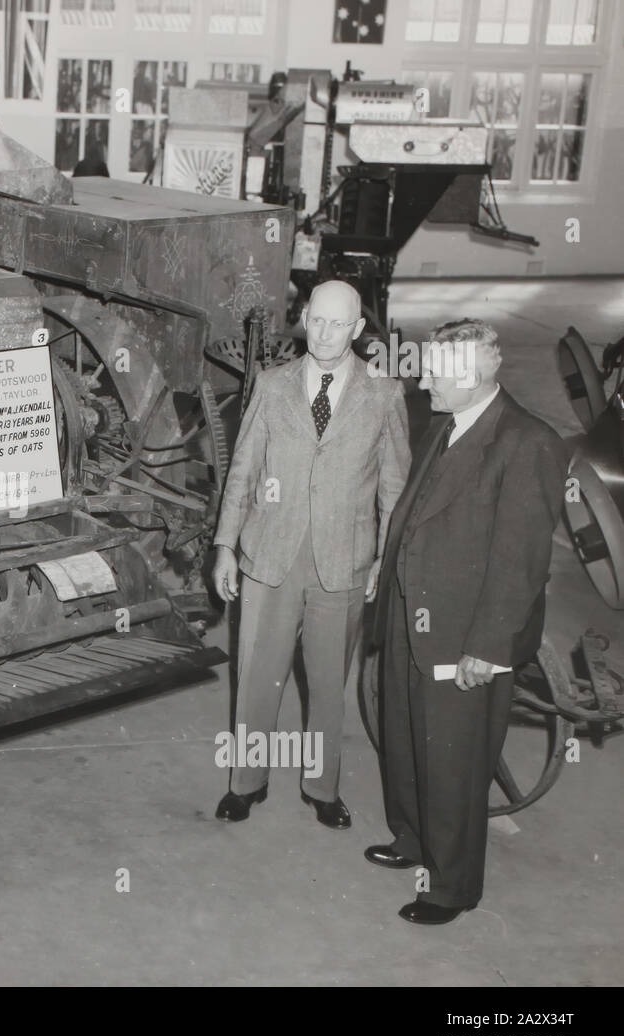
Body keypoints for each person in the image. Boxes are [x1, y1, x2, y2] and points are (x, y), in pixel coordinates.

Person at [366, 319, 570, 925]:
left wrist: (488, 646)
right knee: (404, 739)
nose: (423, 376)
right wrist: (387, 563)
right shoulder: (447, 423)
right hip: (413, 613)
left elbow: (521, 561)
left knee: (453, 763)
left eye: (434, 370)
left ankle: (450, 887)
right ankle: (412, 840)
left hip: (465, 635)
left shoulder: (528, 442)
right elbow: (415, 509)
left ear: (473, 375)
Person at [212, 279, 410, 827]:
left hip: (342, 562)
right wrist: (226, 545)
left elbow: (396, 491)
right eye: (315, 320)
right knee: (256, 677)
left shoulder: (384, 394)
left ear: (358, 329)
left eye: (336, 324)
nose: (323, 334)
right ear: (304, 319)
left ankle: (322, 789)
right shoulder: (272, 385)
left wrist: (381, 563)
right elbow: (244, 471)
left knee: (328, 686)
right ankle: (245, 782)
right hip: (270, 557)